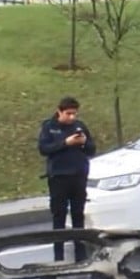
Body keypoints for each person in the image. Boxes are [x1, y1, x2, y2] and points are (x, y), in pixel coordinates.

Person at [37, 96, 96, 261]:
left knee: (78, 215)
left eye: (74, 114)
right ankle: (59, 257)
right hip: (59, 178)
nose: (72, 117)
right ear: (59, 111)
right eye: (68, 114)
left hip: (78, 177)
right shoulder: (49, 127)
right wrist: (65, 143)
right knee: (59, 217)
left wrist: (83, 142)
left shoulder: (80, 126)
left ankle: (81, 256)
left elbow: (92, 149)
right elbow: (44, 148)